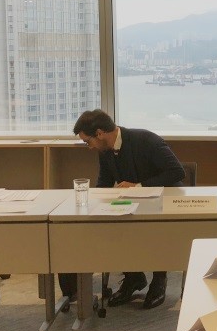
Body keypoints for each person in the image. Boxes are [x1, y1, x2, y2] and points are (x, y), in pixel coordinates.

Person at [67, 109, 185, 309]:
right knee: (110, 227)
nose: (89, 147)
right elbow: (104, 181)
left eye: (88, 141)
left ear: (99, 133)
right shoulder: (105, 150)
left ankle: (159, 279)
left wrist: (138, 186)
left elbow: (177, 172)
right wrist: (93, 203)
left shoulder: (146, 140)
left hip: (162, 203)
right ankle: (133, 277)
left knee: (154, 230)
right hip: (133, 204)